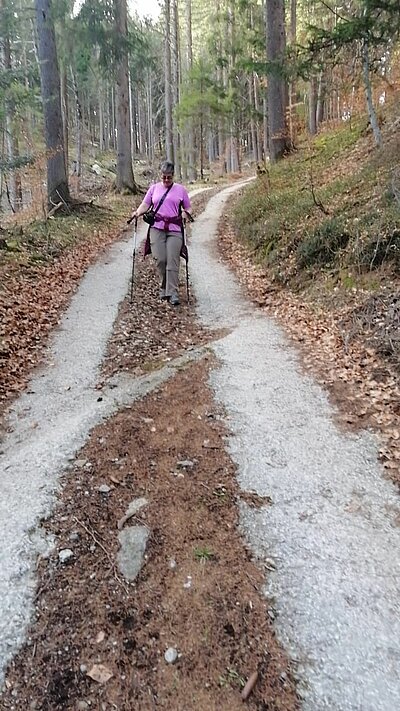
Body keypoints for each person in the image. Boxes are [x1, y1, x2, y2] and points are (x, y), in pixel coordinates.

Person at [132, 160, 191, 306]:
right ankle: (164, 286)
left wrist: (185, 214)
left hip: (174, 229)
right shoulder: (153, 189)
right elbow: (146, 204)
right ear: (161, 175)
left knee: (173, 260)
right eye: (163, 177)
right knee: (161, 259)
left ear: (173, 176)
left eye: (169, 177)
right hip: (156, 228)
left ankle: (173, 292)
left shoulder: (181, 190)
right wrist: (138, 212)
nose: (166, 180)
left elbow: (188, 208)